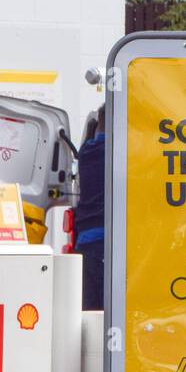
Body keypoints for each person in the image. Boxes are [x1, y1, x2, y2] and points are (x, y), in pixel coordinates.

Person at [75, 105, 106, 310]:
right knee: (107, 311)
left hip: (85, 241)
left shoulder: (86, 152)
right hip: (106, 242)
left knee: (90, 310)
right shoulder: (116, 154)